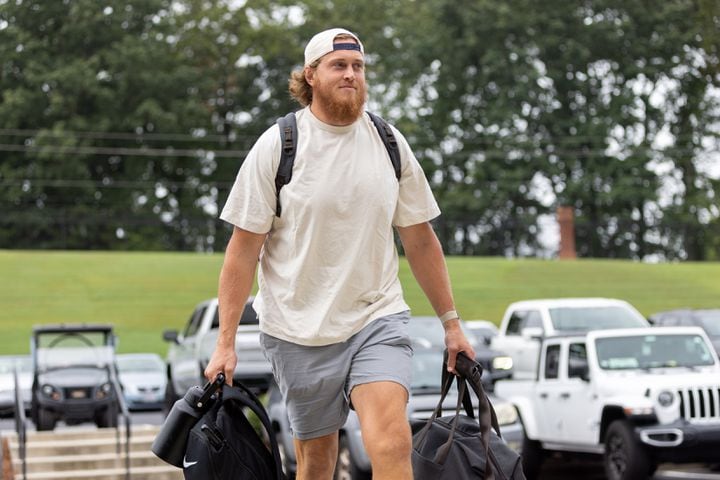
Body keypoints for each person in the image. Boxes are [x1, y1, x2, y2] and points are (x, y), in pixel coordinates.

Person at [204, 27, 476, 480]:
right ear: (310, 75)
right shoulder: (279, 145)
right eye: (339, 66)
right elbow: (242, 251)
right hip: (296, 330)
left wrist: (452, 325)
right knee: (316, 462)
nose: (351, 75)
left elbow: (420, 238)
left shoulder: (389, 143)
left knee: (390, 440)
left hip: (376, 318)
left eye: (358, 67)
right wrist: (225, 344)